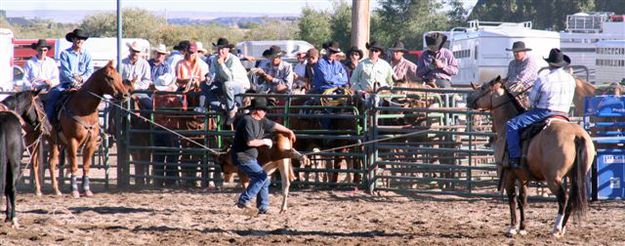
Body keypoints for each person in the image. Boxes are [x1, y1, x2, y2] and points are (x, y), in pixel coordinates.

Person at [505, 49, 576, 169]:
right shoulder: (571, 79)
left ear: (549, 64)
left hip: (544, 112)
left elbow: (531, 101)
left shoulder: (543, 79)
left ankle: (515, 158)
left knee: (511, 125)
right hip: (564, 113)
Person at [232, 97, 296, 214]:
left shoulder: (261, 120)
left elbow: (275, 125)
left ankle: (263, 206)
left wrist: (288, 131)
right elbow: (250, 142)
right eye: (264, 110)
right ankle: (244, 199)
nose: (265, 112)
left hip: (250, 157)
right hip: (242, 157)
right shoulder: (247, 121)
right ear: (257, 111)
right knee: (261, 177)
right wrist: (265, 142)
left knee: (264, 179)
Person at [45, 28, 94, 121]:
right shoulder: (65, 53)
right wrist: (74, 81)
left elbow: (89, 71)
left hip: (83, 85)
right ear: (73, 39)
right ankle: (47, 123)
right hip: (66, 84)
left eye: (82, 39)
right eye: (77, 38)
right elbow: (65, 71)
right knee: (53, 95)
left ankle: (96, 126)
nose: (80, 41)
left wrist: (82, 79)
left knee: (94, 99)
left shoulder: (87, 54)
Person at [210, 37, 251, 124]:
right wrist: (209, 77)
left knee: (227, 85)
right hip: (224, 85)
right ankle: (219, 107)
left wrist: (222, 65)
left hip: (240, 86)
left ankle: (231, 110)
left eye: (222, 49)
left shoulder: (233, 59)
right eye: (219, 49)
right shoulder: (214, 59)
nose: (220, 51)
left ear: (228, 49)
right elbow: (212, 73)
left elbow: (230, 78)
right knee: (204, 85)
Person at [504, 41, 540, 111]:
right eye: (514, 52)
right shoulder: (512, 63)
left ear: (524, 52)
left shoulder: (529, 61)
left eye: (518, 52)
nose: (515, 53)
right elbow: (508, 78)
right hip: (513, 90)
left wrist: (508, 85)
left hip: (528, 91)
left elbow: (522, 78)